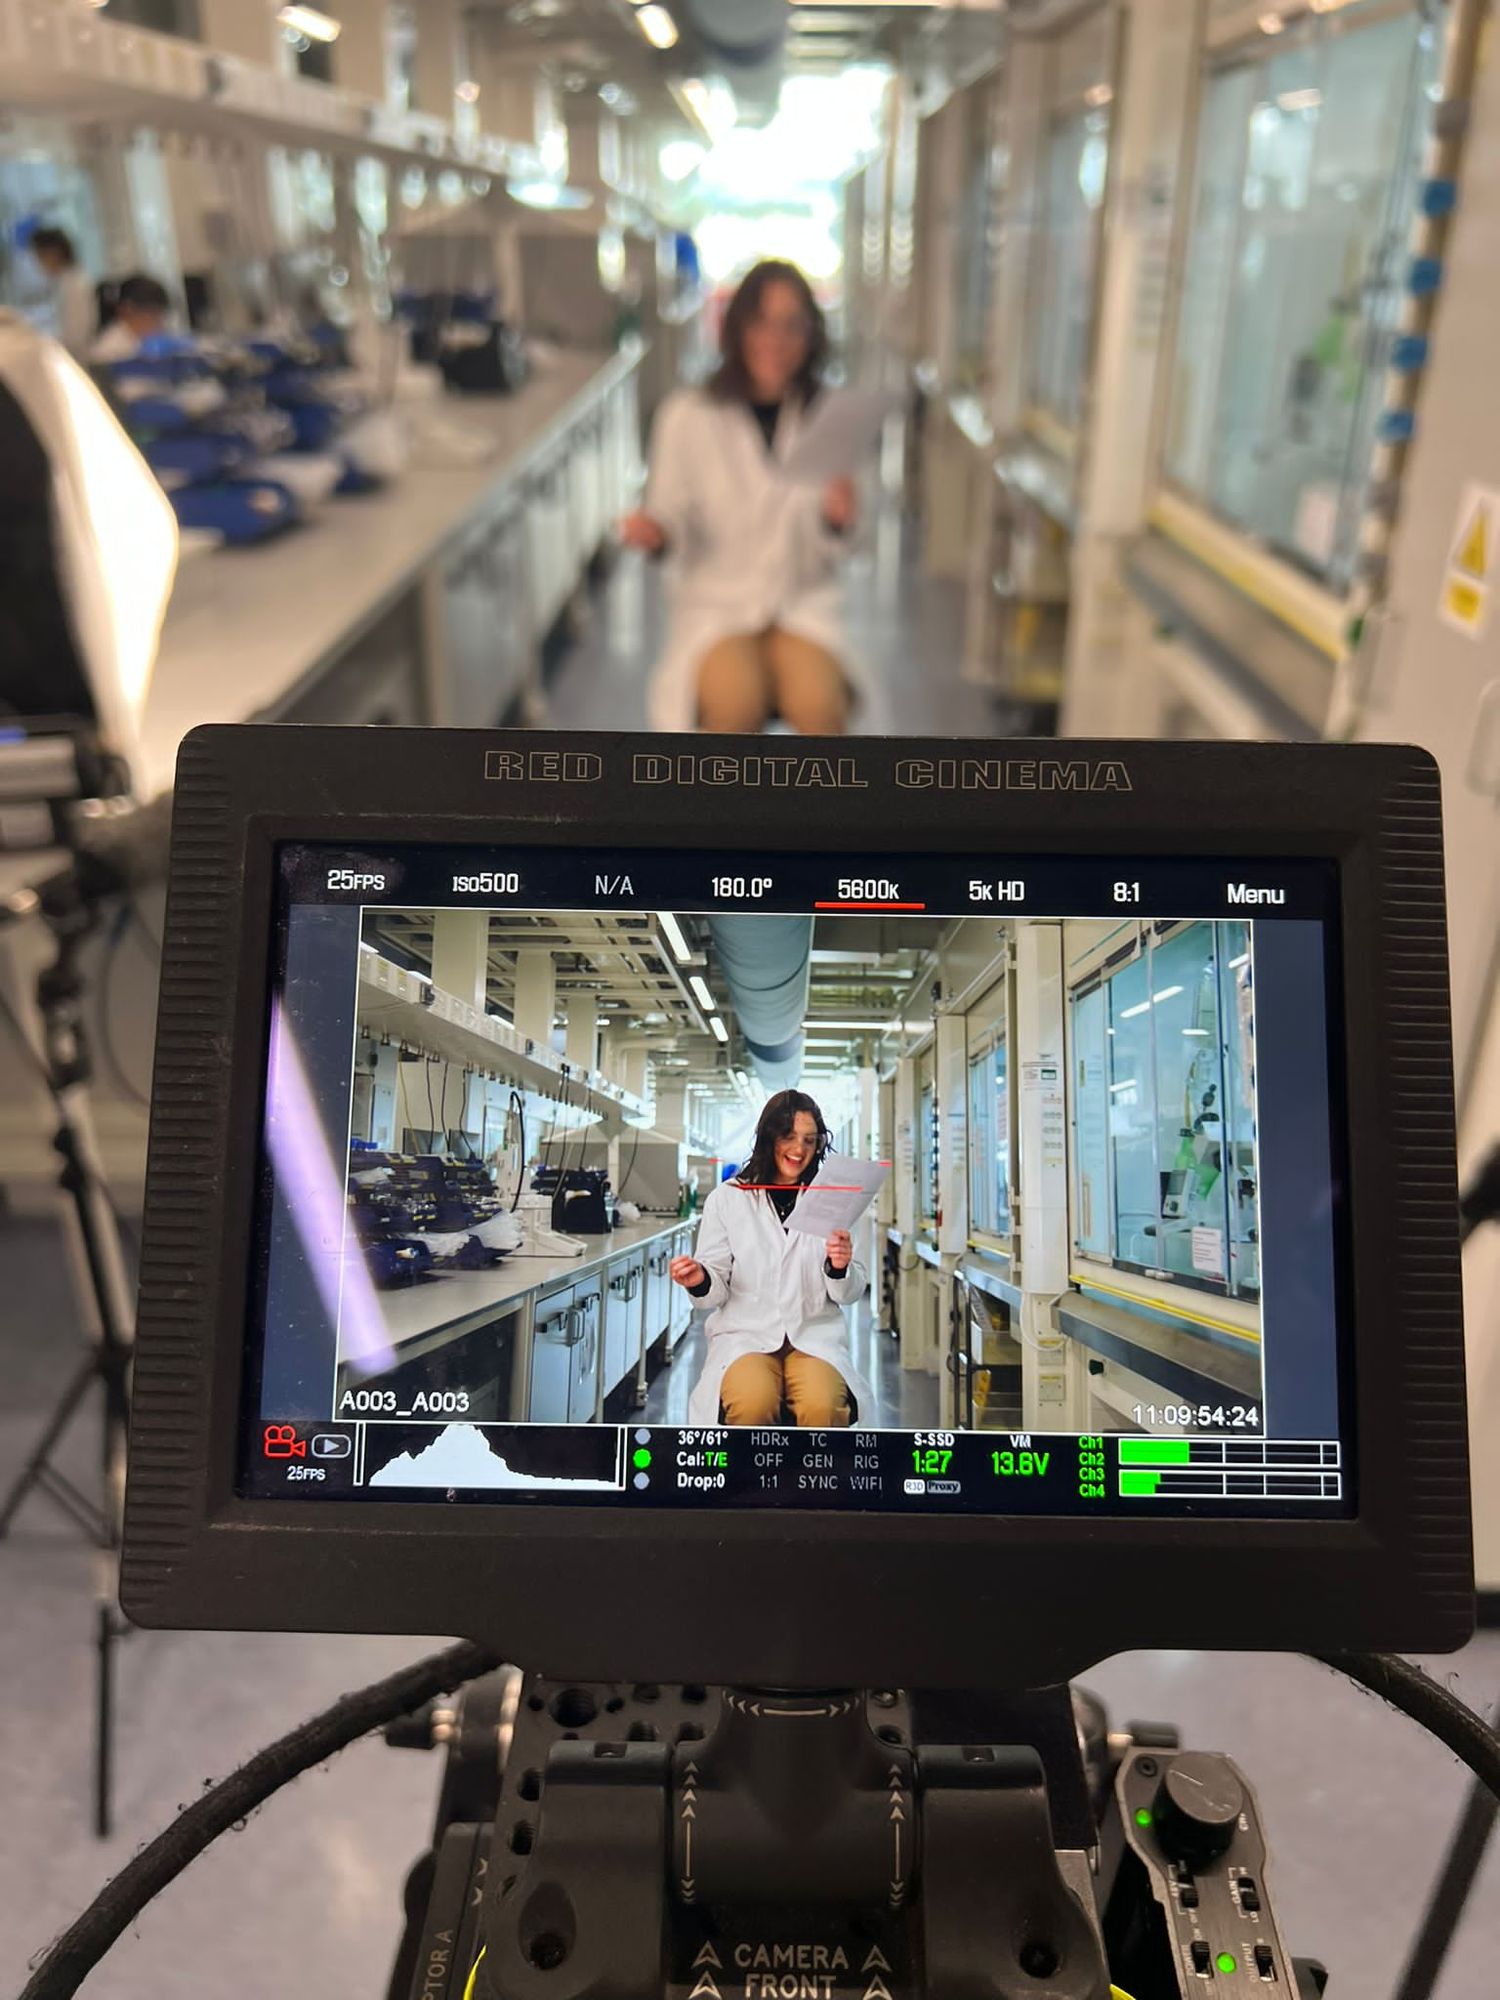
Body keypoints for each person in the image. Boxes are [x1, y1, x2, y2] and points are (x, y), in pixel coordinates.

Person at [620, 259, 859, 734]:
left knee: (820, 708)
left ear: (812, 335)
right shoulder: (686, 415)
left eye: (793, 326)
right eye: (762, 322)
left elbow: (845, 540)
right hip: (717, 607)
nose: (777, 340)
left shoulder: (831, 417)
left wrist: (837, 520)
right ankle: (731, 813)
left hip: (800, 602)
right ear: (737, 327)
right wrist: (658, 532)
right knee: (734, 708)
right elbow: (670, 513)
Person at [670, 1089, 875, 1426]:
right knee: (752, 1404)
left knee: (822, 1406)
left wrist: (839, 1268)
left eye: (810, 1140)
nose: (799, 1150)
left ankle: (813, 1480)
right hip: (745, 1336)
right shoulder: (729, 1198)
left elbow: (850, 1293)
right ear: (769, 1138)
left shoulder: (835, 1199)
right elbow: (713, 1291)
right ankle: (749, 1481)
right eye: (789, 1137)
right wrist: (700, 1278)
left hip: (812, 1335)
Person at [29, 227, 96, 360]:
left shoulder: (74, 284)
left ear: (54, 253)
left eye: (39, 256)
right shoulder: (63, 281)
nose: (38, 263)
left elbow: (75, 337)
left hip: (76, 359)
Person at [90, 273, 171, 362]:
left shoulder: (143, 343)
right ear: (128, 309)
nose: (159, 323)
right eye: (154, 315)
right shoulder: (108, 350)